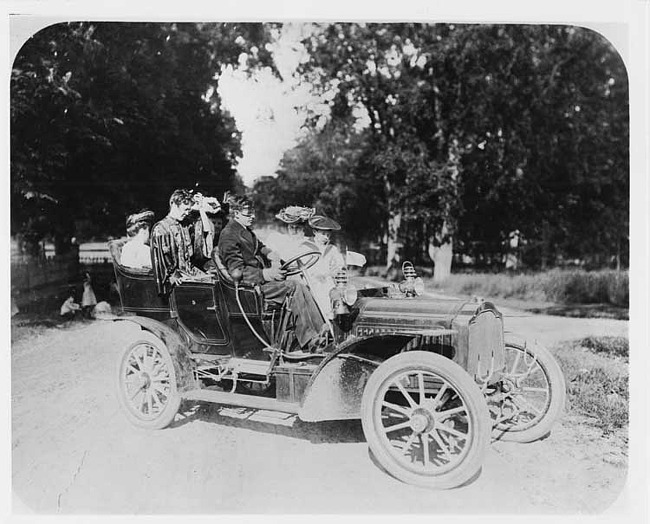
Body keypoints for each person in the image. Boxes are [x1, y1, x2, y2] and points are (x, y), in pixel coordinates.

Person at [217, 195, 326, 351]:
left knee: (300, 285)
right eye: (248, 213)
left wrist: (272, 255)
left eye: (252, 211)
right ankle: (310, 340)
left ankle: (321, 331)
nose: (253, 216)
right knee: (293, 287)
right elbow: (237, 271)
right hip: (248, 289)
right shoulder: (229, 234)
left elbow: (260, 247)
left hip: (259, 282)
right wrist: (266, 274)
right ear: (236, 213)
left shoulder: (244, 230)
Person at [150, 189, 208, 297]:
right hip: (176, 279)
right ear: (174, 204)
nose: (187, 213)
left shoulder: (185, 225)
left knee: (212, 282)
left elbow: (201, 236)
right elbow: (160, 260)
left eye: (189, 210)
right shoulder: (161, 228)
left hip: (189, 272)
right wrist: (173, 276)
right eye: (185, 209)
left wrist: (200, 208)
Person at [302, 215, 346, 319]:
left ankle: (335, 316)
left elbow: (339, 266)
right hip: (309, 280)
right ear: (315, 232)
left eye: (328, 234)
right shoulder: (306, 246)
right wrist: (315, 276)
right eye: (323, 234)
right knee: (320, 287)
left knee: (336, 290)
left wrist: (330, 274)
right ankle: (324, 316)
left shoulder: (332, 249)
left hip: (328, 280)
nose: (326, 237)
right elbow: (302, 266)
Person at [188, 193, 223, 270]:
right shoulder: (200, 236)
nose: (216, 226)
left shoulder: (222, 239)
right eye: (214, 223)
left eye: (219, 223)